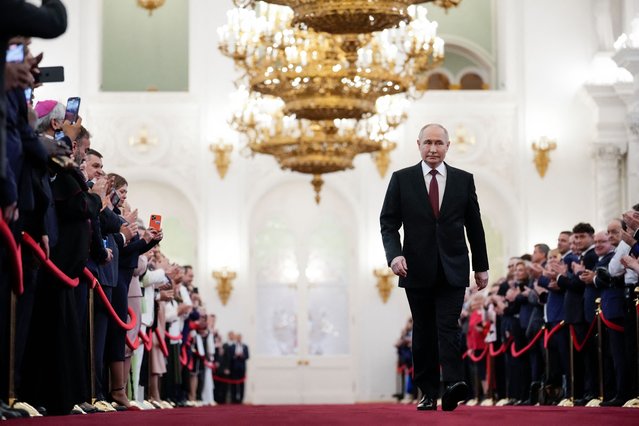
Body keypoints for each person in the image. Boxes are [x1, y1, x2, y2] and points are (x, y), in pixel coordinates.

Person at [380, 123, 489, 412]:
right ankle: (427, 392)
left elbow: (474, 226)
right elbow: (388, 224)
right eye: (427, 143)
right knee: (424, 331)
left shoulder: (464, 180)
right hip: (415, 268)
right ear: (418, 145)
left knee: (448, 326)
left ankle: (453, 384)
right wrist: (394, 256)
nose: (433, 148)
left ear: (448, 146)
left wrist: (481, 266)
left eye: (439, 143)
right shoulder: (401, 179)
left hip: (453, 267)